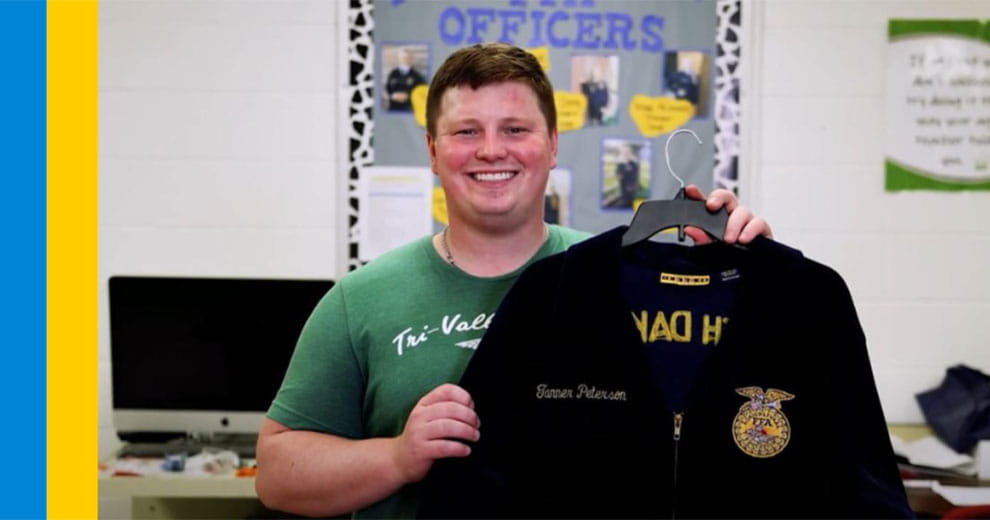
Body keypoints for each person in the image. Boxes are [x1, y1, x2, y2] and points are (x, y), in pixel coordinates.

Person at [255, 42, 772, 519]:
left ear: (551, 146)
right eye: (466, 131)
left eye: (515, 129)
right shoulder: (360, 298)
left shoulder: (621, 279)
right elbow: (276, 475)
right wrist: (396, 457)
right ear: (433, 151)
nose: (490, 150)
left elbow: (716, 424)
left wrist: (743, 285)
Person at [384, 46, 426, 112]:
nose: (404, 59)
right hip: (393, 108)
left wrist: (408, 96)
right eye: (402, 57)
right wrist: (393, 95)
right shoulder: (393, 73)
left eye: (407, 58)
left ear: (410, 59)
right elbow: (387, 87)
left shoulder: (417, 75)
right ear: (399, 59)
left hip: (409, 109)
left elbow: (421, 91)